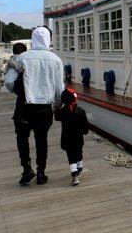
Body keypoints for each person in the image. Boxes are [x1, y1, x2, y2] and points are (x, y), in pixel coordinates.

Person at [15, 26, 64, 185]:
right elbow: (59, 87)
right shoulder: (56, 59)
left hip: (24, 105)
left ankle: (27, 169)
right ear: (48, 39)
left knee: (22, 138)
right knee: (41, 140)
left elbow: (12, 81)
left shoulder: (23, 57)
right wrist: (58, 104)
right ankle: (41, 173)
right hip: (44, 107)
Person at [55, 88, 89, 186]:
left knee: (71, 156)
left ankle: (74, 175)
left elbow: (57, 117)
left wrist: (57, 107)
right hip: (78, 138)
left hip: (67, 138)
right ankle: (80, 168)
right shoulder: (81, 111)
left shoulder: (63, 111)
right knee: (79, 153)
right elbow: (85, 125)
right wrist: (85, 131)